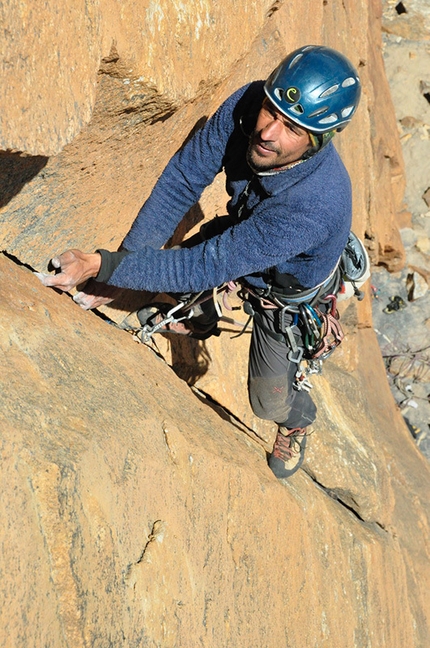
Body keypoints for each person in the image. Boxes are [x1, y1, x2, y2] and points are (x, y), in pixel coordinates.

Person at [37, 44, 361, 480]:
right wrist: (127, 262)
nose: (267, 131)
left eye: (292, 128)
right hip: (245, 232)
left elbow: (209, 264)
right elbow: (184, 179)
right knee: (180, 275)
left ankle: (297, 417)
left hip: (282, 291)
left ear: (317, 141)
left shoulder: (315, 204)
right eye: (270, 110)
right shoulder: (250, 104)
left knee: (266, 400)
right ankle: (200, 317)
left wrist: (106, 266)